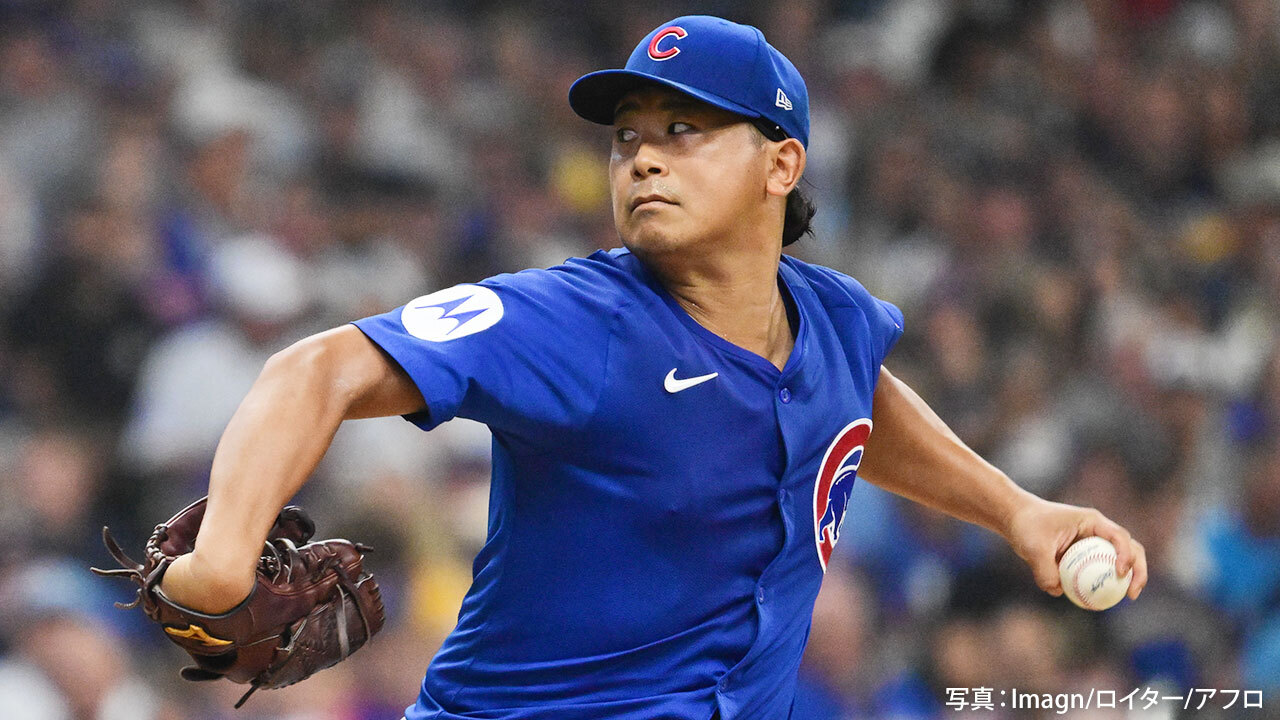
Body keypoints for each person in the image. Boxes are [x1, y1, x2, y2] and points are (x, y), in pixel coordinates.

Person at [156, 15, 1148, 720]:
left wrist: (1018, 511)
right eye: (627, 137)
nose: (642, 159)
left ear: (782, 164)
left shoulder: (836, 320)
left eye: (684, 130)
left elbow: (855, 408)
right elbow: (314, 371)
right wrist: (225, 558)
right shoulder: (576, 322)